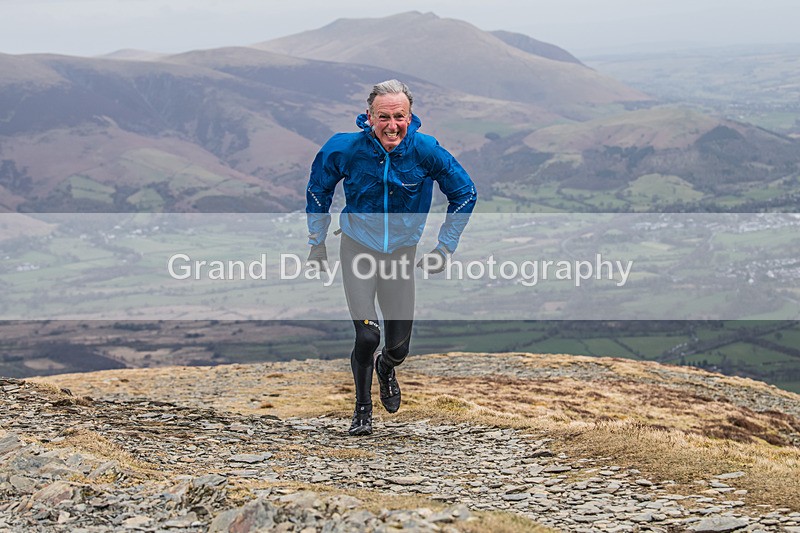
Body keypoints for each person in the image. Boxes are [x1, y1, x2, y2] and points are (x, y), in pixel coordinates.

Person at [305, 80, 477, 436]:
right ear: (369, 117)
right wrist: (316, 241)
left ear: (410, 117)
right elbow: (319, 187)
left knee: (398, 347)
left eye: (399, 116)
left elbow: (465, 193)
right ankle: (362, 409)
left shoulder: (426, 150)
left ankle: (387, 368)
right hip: (357, 249)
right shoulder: (345, 148)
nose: (392, 124)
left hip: (400, 255)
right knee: (367, 336)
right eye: (383, 116)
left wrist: (445, 247)